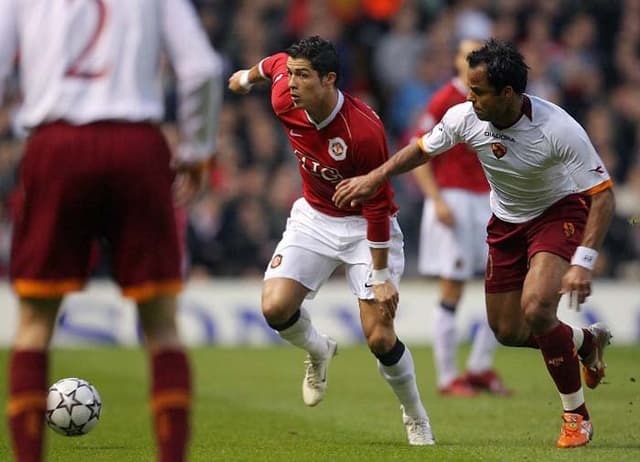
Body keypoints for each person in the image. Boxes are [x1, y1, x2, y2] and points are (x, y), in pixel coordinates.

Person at [333, 38, 615, 448]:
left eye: (478, 91)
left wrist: (583, 262)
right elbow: (421, 150)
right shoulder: (465, 116)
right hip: (505, 223)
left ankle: (577, 416)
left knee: (537, 308)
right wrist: (375, 177)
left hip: (557, 213)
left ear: (507, 94)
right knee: (507, 330)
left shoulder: (558, 128)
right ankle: (585, 341)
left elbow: (603, 194)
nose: (470, 97)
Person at [0, 1, 222, 461]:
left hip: (54, 145)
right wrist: (198, 148)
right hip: (136, 145)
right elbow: (201, 67)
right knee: (161, 324)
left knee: (35, 323)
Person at [228, 35, 434, 446]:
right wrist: (246, 77)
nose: (292, 83)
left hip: (365, 228)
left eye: (303, 76)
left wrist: (380, 275)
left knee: (379, 337)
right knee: (274, 307)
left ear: (329, 80)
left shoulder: (363, 131)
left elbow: (377, 207)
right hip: (315, 218)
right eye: (291, 75)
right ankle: (319, 349)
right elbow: (273, 63)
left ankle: (416, 417)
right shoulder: (284, 95)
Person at [408, 39, 510, 397]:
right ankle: (447, 376)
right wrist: (435, 200)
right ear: (455, 61)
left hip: (490, 200)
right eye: (466, 55)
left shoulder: (496, 98)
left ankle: (480, 367)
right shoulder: (443, 100)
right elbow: (416, 151)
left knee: (500, 285)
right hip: (453, 198)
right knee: (453, 286)